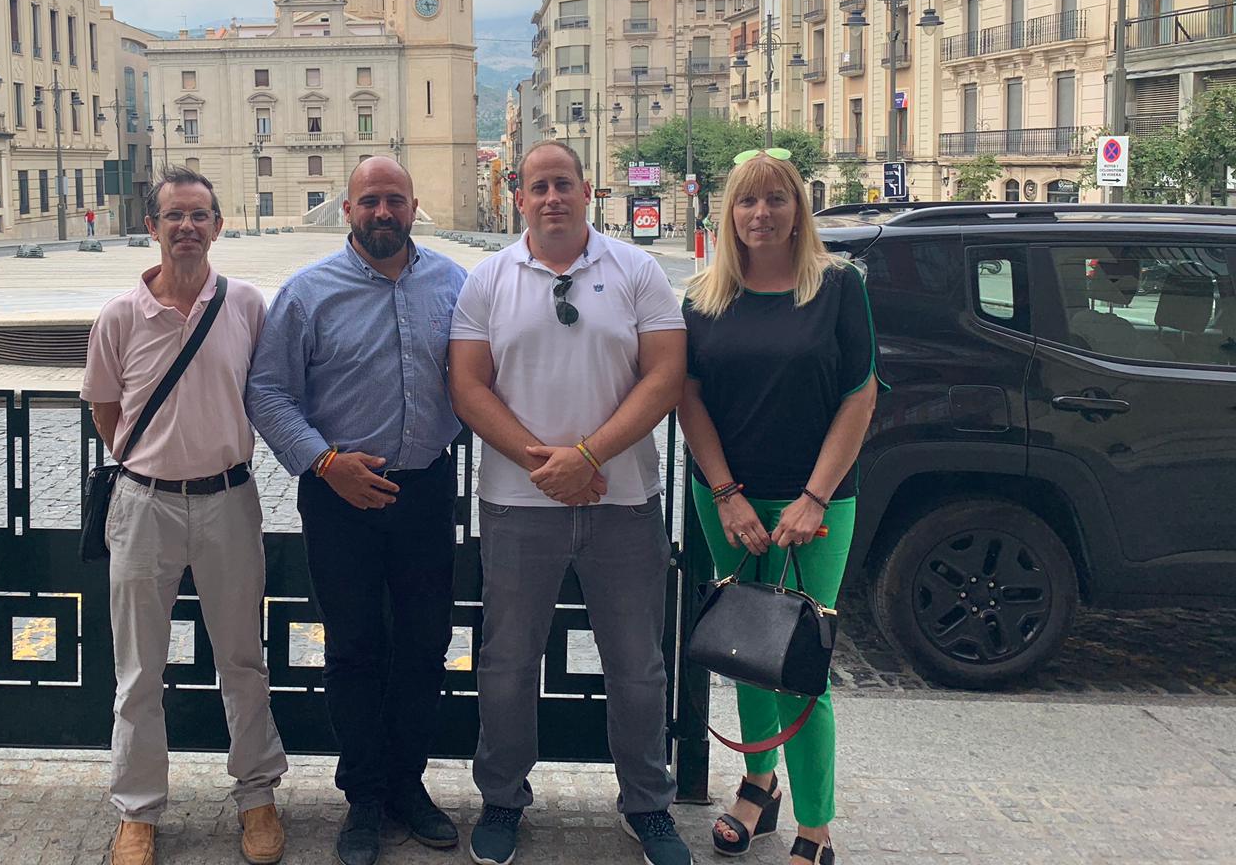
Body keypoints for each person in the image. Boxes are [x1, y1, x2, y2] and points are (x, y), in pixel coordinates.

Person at [449, 141, 692, 865]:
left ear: (588, 191)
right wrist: (549, 467)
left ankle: (647, 804)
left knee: (638, 665)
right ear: (518, 197)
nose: (551, 197)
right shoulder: (487, 279)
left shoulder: (638, 271)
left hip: (625, 502)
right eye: (538, 186)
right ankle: (502, 798)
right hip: (516, 504)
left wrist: (587, 458)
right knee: (507, 662)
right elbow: (468, 387)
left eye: (564, 184)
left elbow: (665, 375)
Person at [246, 157, 467, 865]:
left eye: (395, 200)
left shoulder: (454, 285)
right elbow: (267, 391)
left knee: (425, 643)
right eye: (369, 200)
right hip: (338, 493)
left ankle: (407, 785)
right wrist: (323, 462)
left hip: (425, 490)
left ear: (413, 206)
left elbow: (483, 376)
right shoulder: (307, 294)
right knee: (353, 648)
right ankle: (364, 796)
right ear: (347, 209)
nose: (383, 212)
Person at [82, 166, 288, 865]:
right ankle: (137, 810)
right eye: (174, 216)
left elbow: (270, 392)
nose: (187, 228)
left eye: (200, 215)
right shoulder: (120, 316)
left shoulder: (247, 306)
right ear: (152, 227)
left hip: (229, 500)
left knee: (242, 658)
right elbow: (106, 410)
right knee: (140, 669)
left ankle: (256, 796)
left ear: (218, 226)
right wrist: (149, 462)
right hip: (145, 505)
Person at [677, 148, 878, 865]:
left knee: (800, 666)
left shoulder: (838, 287)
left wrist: (813, 498)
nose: (760, 213)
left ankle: (816, 828)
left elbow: (860, 396)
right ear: (728, 213)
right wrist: (727, 495)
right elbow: (689, 399)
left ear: (799, 209)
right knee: (744, 652)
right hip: (727, 501)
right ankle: (758, 786)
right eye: (746, 200)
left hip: (817, 505)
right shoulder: (703, 298)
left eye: (776, 199)